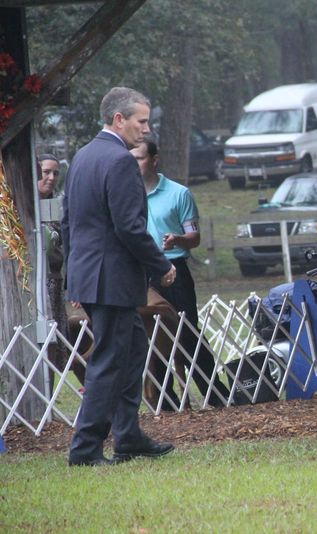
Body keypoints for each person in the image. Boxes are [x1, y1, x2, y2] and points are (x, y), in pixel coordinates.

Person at [62, 87, 176, 466]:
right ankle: (85, 449)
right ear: (119, 119)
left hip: (93, 275)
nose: (146, 129)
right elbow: (129, 227)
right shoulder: (120, 160)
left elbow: (69, 222)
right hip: (110, 278)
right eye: (141, 121)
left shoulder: (82, 156)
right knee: (109, 360)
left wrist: (74, 277)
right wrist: (162, 265)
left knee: (132, 350)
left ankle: (128, 436)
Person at [130, 137, 230, 408]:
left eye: (139, 158)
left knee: (187, 332)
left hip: (175, 269)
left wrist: (178, 239)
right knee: (154, 335)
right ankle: (165, 400)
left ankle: (214, 393)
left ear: (154, 159)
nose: (134, 163)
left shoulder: (179, 193)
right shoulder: (125, 193)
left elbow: (194, 236)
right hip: (140, 273)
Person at [37, 154, 68, 373]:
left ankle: (49, 393)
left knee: (55, 345)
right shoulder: (17, 205)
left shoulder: (57, 206)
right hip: (30, 286)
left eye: (55, 173)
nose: (51, 177)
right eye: (46, 172)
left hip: (54, 283)